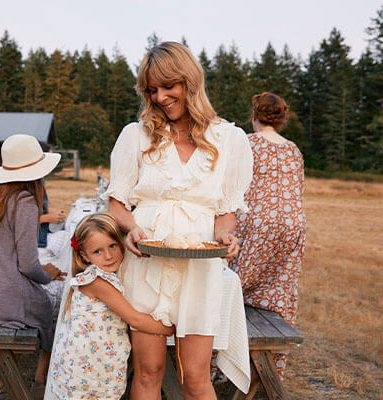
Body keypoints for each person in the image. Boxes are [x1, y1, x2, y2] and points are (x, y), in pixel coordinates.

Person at [103, 41, 254, 399]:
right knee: (148, 372)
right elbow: (117, 205)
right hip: (147, 265)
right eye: (151, 90)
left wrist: (226, 237)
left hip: (199, 269)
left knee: (197, 377)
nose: (159, 97)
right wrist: (130, 229)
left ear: (190, 81)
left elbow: (225, 213)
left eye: (168, 86)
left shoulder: (229, 140)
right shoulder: (135, 135)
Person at [0, 134, 65, 399]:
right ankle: (40, 381)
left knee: (51, 299)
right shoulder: (23, 202)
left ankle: (39, 379)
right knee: (58, 307)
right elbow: (28, 266)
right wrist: (48, 275)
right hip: (6, 302)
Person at [45, 212, 174, 400]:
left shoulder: (99, 277)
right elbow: (134, 318)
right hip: (88, 370)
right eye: (98, 251)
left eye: (113, 246)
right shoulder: (97, 281)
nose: (108, 255)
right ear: (84, 256)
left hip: (96, 363)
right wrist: (169, 328)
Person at [228, 92, 306, 378]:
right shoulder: (294, 149)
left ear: (254, 115)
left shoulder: (247, 143)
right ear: (282, 118)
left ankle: (220, 364)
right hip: (293, 224)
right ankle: (272, 369)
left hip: (258, 222)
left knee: (230, 286)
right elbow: (298, 189)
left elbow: (234, 184)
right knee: (281, 291)